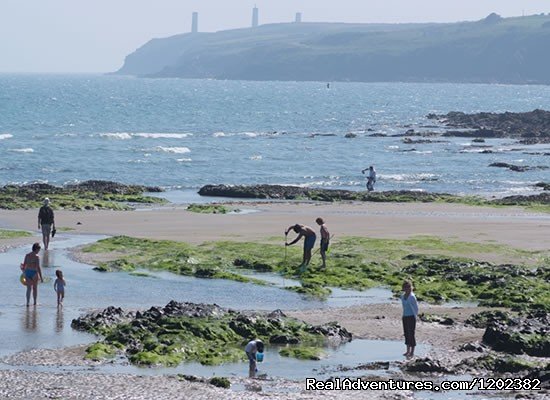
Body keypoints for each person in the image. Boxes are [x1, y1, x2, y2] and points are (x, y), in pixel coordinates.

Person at [400, 280, 419, 358]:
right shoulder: (402, 296)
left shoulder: (412, 297)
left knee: (411, 333)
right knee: (406, 333)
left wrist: (415, 317)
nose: (406, 290)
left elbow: (416, 308)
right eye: (404, 288)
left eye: (407, 288)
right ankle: (407, 350)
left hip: (411, 317)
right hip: (405, 316)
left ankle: (412, 352)